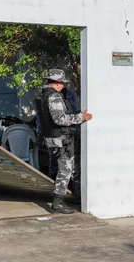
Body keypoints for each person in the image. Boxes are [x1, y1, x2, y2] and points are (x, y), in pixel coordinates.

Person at [37, 69, 92, 214]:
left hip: (53, 138)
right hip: (60, 140)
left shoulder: (43, 95)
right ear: (56, 82)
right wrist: (81, 118)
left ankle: (66, 197)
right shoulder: (54, 96)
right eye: (61, 82)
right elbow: (59, 119)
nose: (63, 86)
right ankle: (58, 202)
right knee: (65, 170)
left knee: (59, 169)